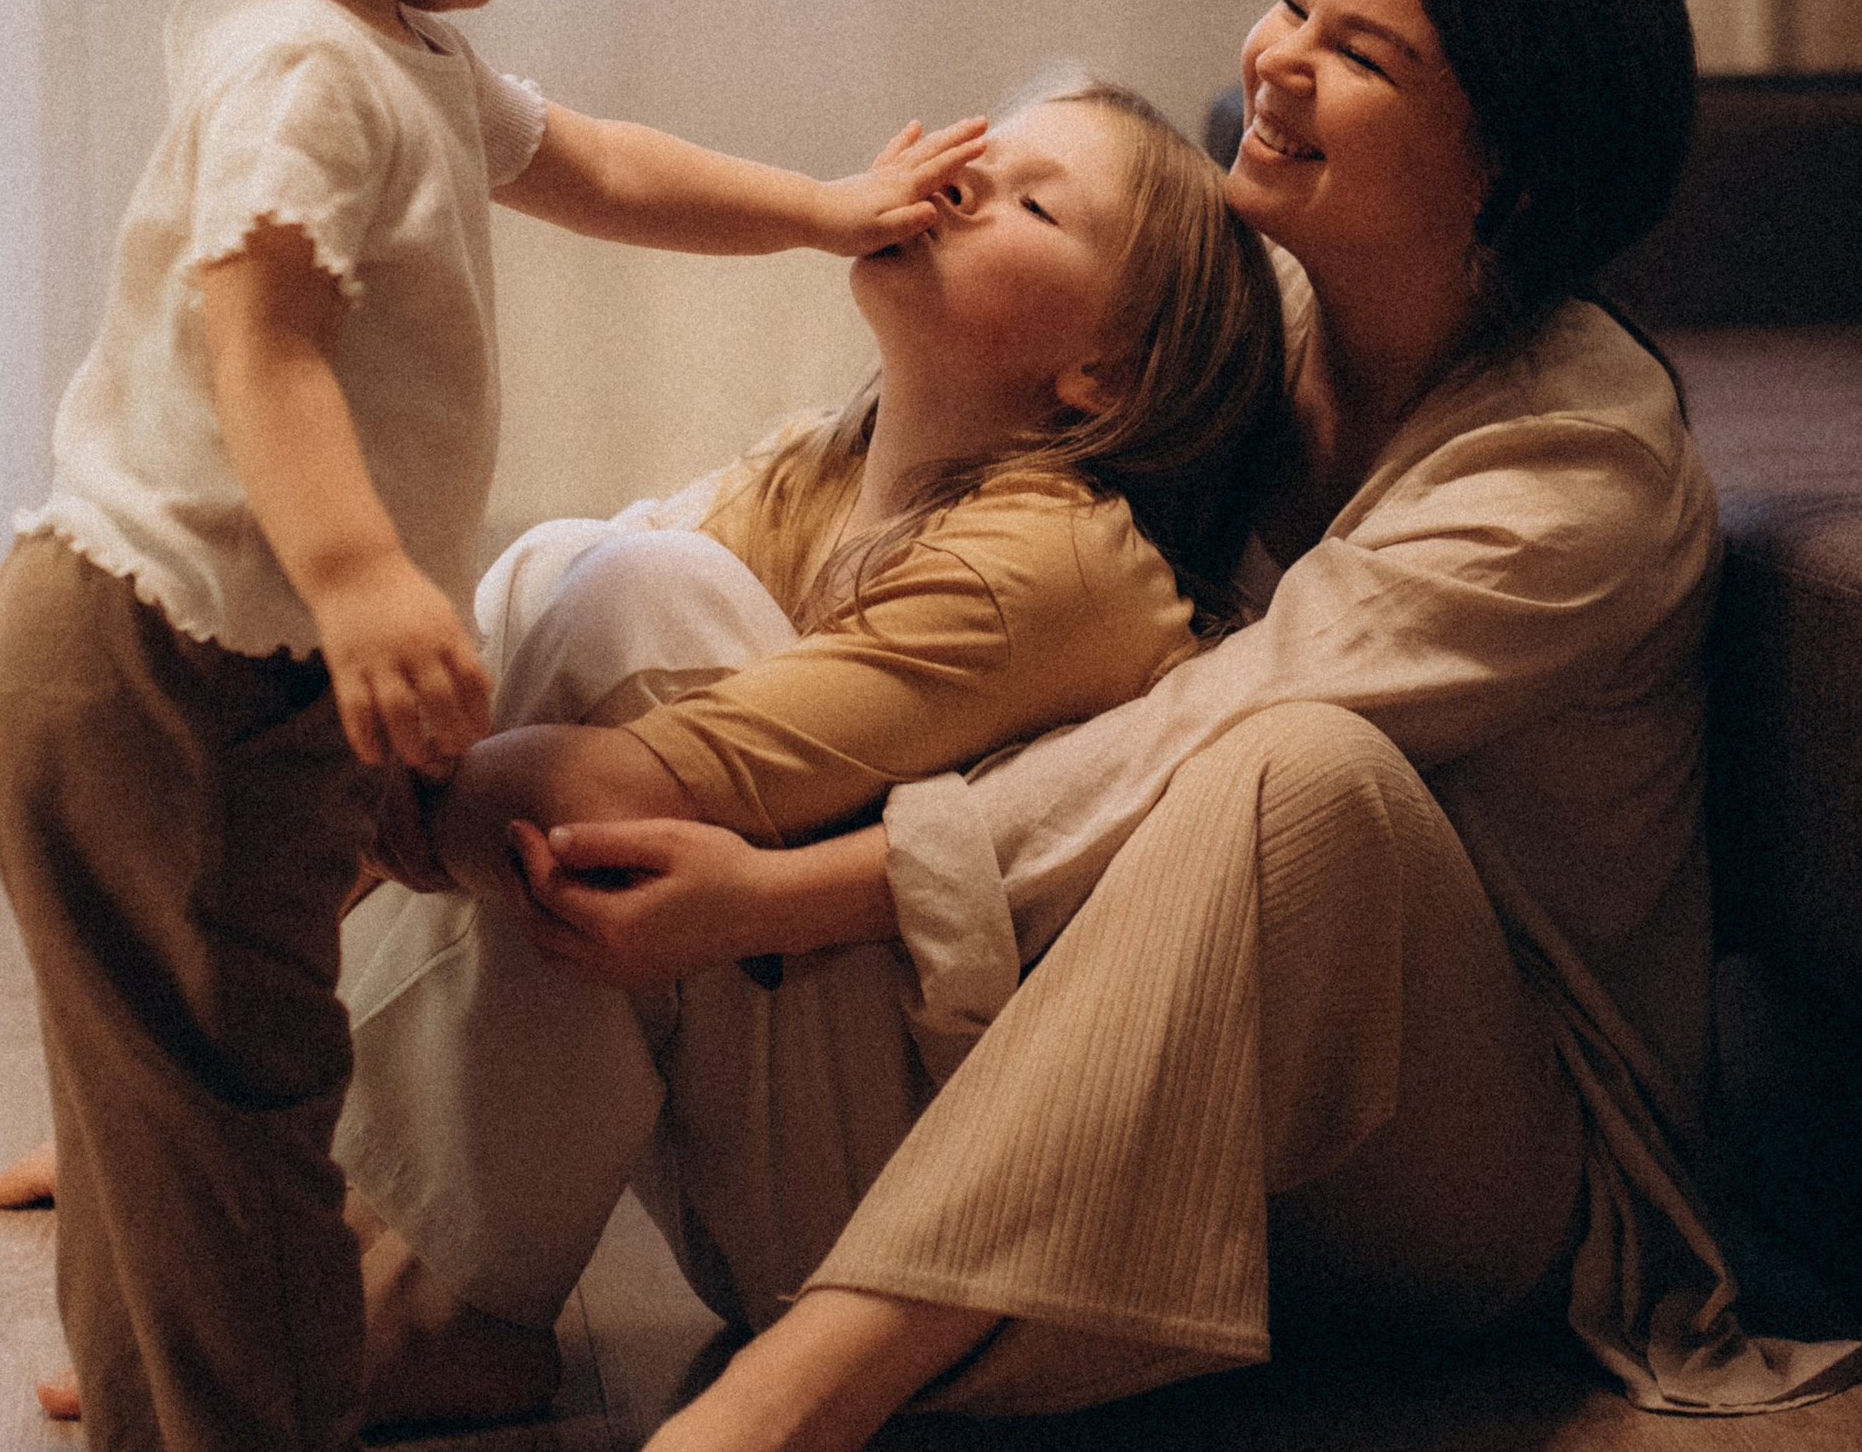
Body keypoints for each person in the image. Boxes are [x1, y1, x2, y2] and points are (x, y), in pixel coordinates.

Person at [329, 0, 1862, 1452]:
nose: (1275, 58)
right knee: (625, 578)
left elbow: (1203, 740)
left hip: (1475, 1165)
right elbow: (827, 492)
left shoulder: (1577, 469)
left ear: (1513, 175)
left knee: (1300, 776)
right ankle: (410, 1256)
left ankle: (756, 1446)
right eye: (1294, 1)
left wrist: (789, 893)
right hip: (1140, 1033)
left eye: (1364, 55)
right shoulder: (1256, 325)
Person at [0, 0, 985, 1452]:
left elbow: (591, 159)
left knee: (163, 1083)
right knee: (244, 1083)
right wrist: (360, 577)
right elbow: (257, 339)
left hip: (135, 648)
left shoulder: (385, 51)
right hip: (170, 657)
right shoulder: (300, 74)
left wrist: (816, 207)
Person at [372, 78, 1287, 902]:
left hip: (883, 1013)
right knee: (572, 564)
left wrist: (340, 798)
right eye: (971, 157)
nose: (952, 184)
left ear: (1109, 372)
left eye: (1035, 203)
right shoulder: (823, 464)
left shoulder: (1060, 561)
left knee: (638, 589)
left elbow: (611, 797)